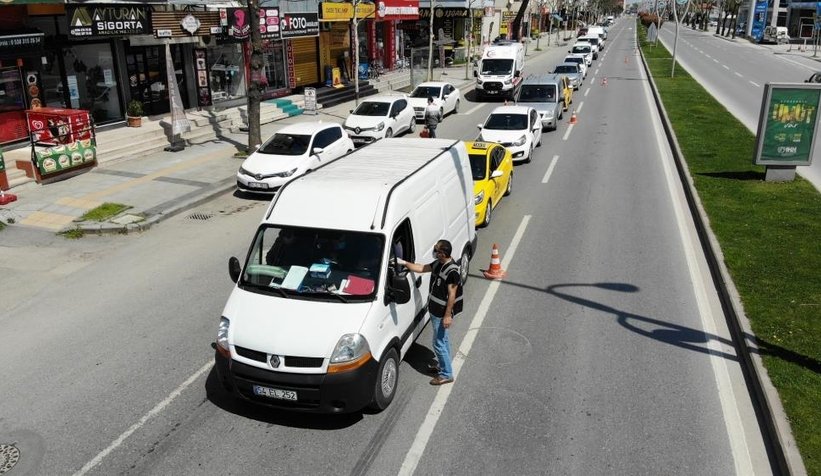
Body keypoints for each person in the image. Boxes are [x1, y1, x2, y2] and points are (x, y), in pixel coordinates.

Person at [396, 239, 462, 385]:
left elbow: (452, 295)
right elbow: (421, 268)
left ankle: (446, 374)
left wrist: (447, 316)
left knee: (438, 343)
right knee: (443, 340)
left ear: (443, 253)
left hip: (441, 312)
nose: (434, 251)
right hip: (434, 309)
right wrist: (404, 263)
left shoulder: (452, 271)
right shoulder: (438, 263)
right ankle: (444, 365)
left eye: (436, 250)